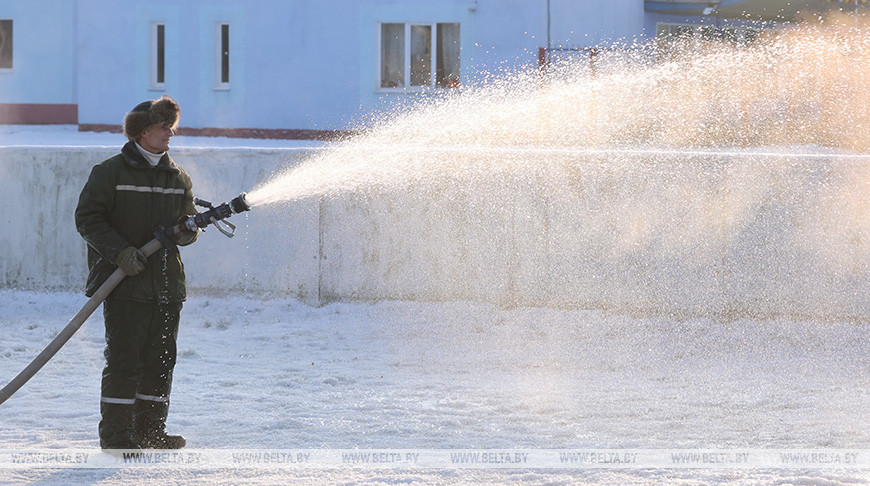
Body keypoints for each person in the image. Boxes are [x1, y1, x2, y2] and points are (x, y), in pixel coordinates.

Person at [75, 95, 199, 450]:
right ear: (141, 131)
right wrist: (120, 253)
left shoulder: (178, 177)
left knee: (161, 360)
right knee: (124, 361)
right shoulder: (109, 173)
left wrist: (190, 231)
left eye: (171, 126)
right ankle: (116, 437)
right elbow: (88, 219)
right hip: (124, 284)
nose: (169, 133)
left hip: (166, 285)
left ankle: (150, 431)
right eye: (162, 126)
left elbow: (185, 224)